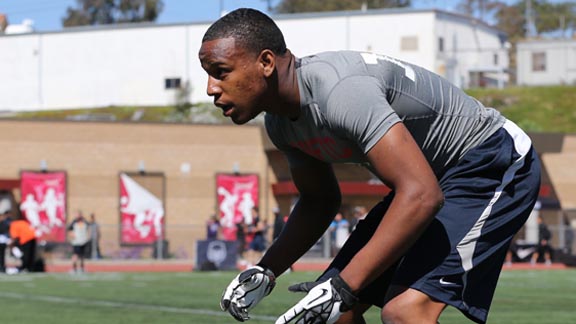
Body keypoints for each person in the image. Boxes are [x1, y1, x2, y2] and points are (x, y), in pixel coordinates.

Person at [201, 8, 541, 324]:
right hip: (429, 180)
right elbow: (319, 201)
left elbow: (422, 195)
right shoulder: (280, 124)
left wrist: (341, 286)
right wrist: (267, 270)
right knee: (335, 318)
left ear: (265, 62)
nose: (210, 89)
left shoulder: (340, 91)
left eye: (221, 72)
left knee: (405, 312)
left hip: (489, 161)